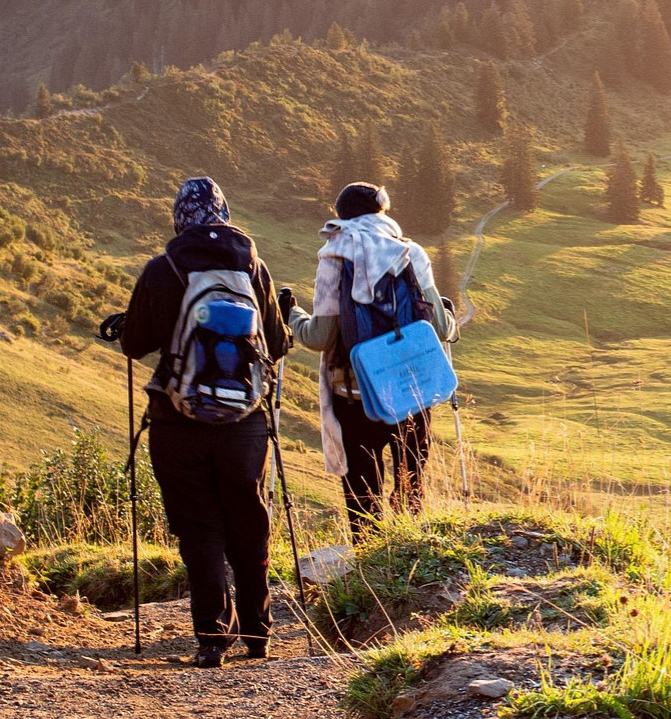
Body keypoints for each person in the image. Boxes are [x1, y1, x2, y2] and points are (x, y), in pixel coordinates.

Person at [120, 177, 290, 669]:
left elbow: (135, 344)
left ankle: (212, 637)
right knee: (248, 520)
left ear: (180, 217)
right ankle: (259, 632)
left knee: (198, 526)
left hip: (177, 421)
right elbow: (276, 346)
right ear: (224, 213)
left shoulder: (162, 268)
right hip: (246, 423)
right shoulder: (253, 266)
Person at [282, 182, 456, 544]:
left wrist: (291, 314)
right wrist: (449, 316)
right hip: (412, 391)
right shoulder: (411, 253)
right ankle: (412, 562)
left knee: (364, 496)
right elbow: (440, 327)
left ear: (341, 217)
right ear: (382, 212)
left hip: (355, 393)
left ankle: (371, 570)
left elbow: (319, 337)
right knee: (411, 487)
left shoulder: (334, 256)